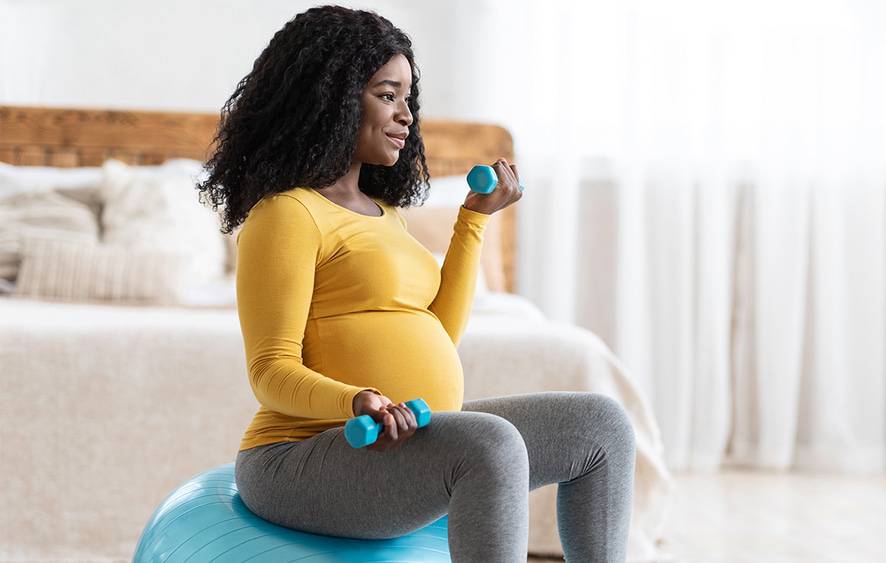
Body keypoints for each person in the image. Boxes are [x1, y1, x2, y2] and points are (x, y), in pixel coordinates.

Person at [196, 5, 635, 562]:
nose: (406, 115)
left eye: (408, 98)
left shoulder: (386, 215)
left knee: (600, 425)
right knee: (489, 442)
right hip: (300, 456)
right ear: (330, 96)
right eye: (386, 94)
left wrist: (473, 218)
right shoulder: (287, 214)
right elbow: (269, 372)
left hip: (402, 442)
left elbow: (438, 333)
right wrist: (357, 399)